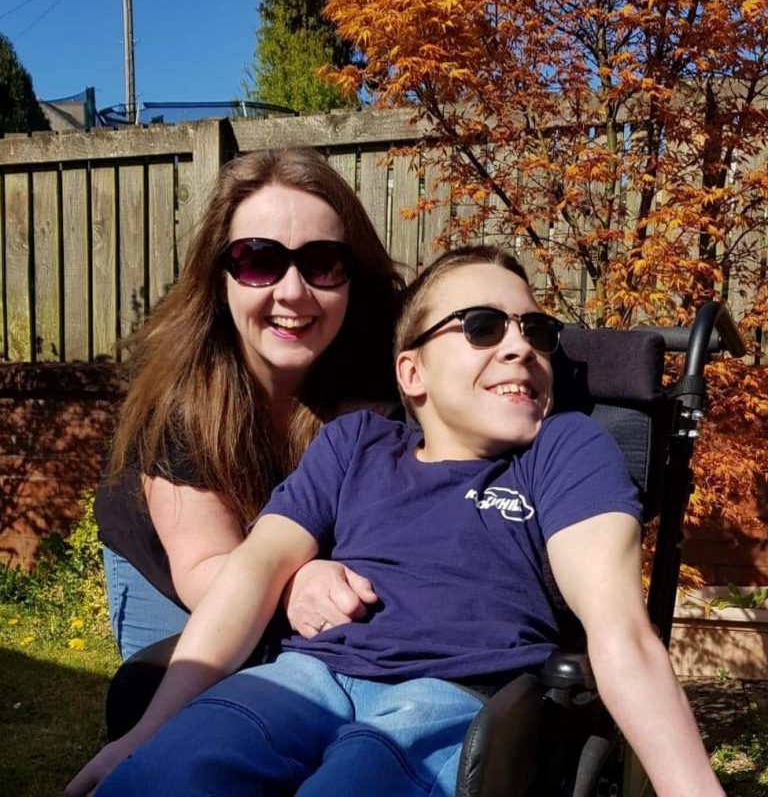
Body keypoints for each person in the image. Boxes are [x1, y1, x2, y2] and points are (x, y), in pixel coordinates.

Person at [69, 246, 724, 797]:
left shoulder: (564, 449)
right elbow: (255, 568)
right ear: (412, 372)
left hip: (453, 695)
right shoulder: (356, 445)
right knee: (160, 775)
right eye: (482, 327)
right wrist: (147, 730)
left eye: (538, 331)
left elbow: (621, 630)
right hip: (303, 677)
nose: (521, 347)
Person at [96, 147, 404, 660]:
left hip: (299, 549)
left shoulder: (389, 362)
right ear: (220, 281)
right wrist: (291, 585)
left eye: (322, 263)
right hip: (179, 560)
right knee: (177, 704)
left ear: (353, 275)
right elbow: (204, 564)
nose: (292, 292)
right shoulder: (181, 398)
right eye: (259, 262)